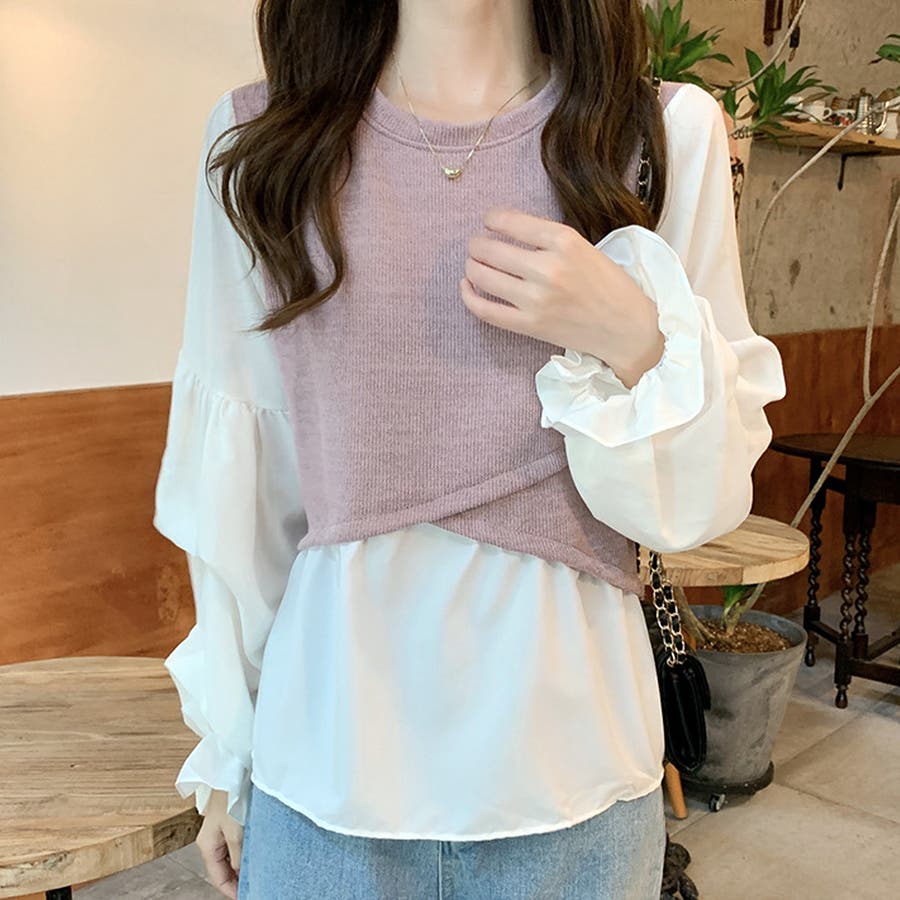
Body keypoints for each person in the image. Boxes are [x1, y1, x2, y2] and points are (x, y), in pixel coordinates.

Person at [153, 1, 787, 898]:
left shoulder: (661, 136)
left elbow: (697, 504)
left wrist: (634, 337)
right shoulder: (265, 140)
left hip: (575, 782)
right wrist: (229, 752)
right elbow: (247, 485)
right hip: (328, 775)